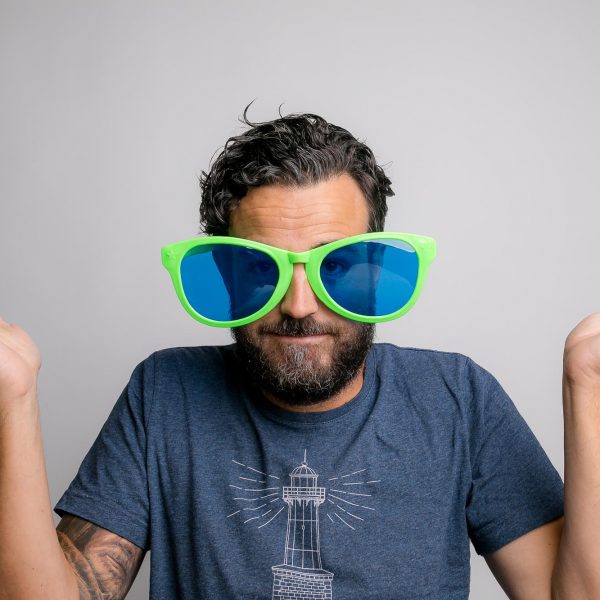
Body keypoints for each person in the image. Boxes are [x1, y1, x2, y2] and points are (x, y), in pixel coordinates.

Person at [0, 111, 599, 600]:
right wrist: (14, 399)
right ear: (227, 276)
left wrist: (586, 389)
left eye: (334, 266)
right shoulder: (165, 393)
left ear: (371, 270)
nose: (299, 305)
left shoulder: (457, 398)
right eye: (262, 268)